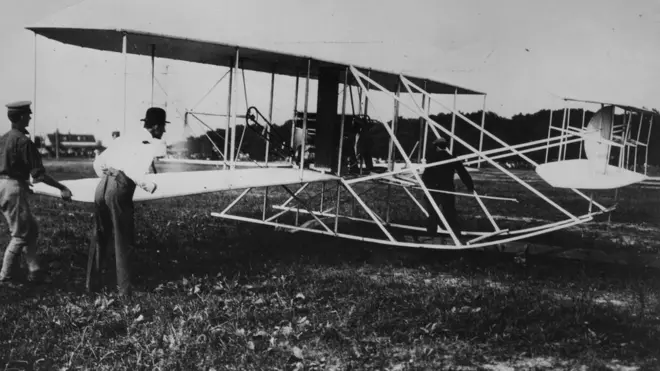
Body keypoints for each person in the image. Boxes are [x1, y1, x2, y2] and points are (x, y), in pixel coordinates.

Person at [87, 107, 168, 297]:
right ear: (156, 126)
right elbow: (133, 171)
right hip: (119, 187)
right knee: (123, 239)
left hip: (102, 186)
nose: (163, 131)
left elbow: (98, 163)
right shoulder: (147, 143)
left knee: (99, 235)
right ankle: (125, 291)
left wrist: (107, 176)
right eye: (163, 127)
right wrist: (148, 185)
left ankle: (92, 285)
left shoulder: (125, 137)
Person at [0, 101, 72, 286]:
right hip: (12, 188)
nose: (30, 117)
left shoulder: (3, 138)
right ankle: (6, 276)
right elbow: (38, 175)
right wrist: (61, 187)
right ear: (22, 117)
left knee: (31, 229)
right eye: (28, 114)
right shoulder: (24, 142)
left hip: (6, 186)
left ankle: (34, 270)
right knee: (21, 235)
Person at [421, 136, 474, 238]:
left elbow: (426, 175)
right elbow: (463, 173)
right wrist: (470, 186)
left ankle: (431, 233)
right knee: (450, 212)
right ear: (445, 147)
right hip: (448, 188)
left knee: (432, 211)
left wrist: (426, 184)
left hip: (434, 189)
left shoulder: (433, 158)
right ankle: (456, 233)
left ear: (436, 147)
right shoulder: (451, 158)